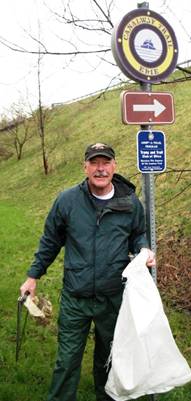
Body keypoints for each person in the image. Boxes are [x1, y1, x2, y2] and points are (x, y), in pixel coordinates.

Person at [20, 142, 155, 401]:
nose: (100, 169)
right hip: (76, 298)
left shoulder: (129, 202)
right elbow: (50, 241)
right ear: (85, 167)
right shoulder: (67, 201)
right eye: (94, 163)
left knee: (110, 360)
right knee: (67, 361)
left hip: (113, 297)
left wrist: (143, 250)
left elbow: (138, 234)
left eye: (105, 163)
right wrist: (32, 276)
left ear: (114, 166)